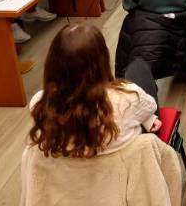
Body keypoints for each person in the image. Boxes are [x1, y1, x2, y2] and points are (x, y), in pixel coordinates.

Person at [29, 24, 161, 158]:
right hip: (124, 167)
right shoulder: (127, 97)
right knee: (138, 67)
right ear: (102, 61)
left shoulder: (40, 103)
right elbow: (150, 107)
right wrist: (147, 118)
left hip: (72, 170)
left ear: (52, 64)